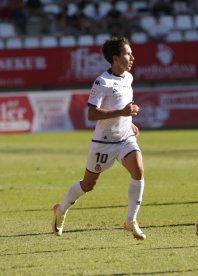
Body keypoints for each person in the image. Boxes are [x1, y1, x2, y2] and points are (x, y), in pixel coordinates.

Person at [51, 37, 146, 241]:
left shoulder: (128, 77)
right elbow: (91, 115)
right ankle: (61, 210)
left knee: (138, 170)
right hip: (103, 143)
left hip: (125, 138)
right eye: (128, 54)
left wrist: (128, 122)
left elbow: (123, 107)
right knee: (88, 184)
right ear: (116, 58)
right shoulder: (102, 82)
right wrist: (122, 112)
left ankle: (130, 220)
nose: (132, 57)